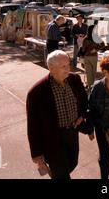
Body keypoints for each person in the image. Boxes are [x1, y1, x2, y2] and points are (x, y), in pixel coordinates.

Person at [26, 50, 89, 179]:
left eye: (68, 65)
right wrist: (36, 153)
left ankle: (57, 174)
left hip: (72, 133)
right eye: (63, 66)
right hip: (53, 138)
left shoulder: (75, 79)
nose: (68, 69)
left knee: (73, 163)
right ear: (51, 68)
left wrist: (82, 116)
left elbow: (84, 100)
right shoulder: (37, 92)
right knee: (61, 172)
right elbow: (33, 126)